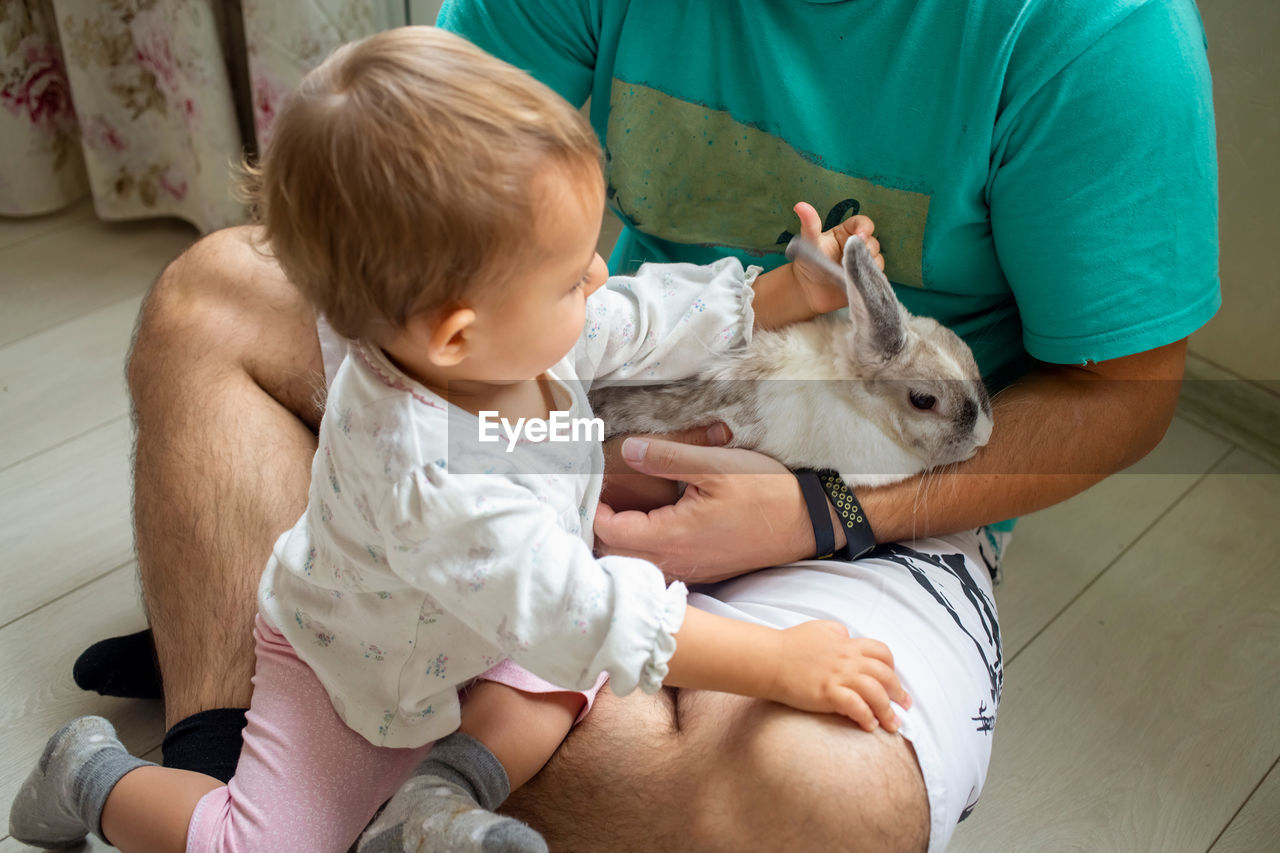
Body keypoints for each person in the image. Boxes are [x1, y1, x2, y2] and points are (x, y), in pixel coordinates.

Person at [71, 0, 1219, 850]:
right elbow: (409, 192)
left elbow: (1120, 393)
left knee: (822, 800)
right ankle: (230, 752)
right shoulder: (518, 354)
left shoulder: (1092, 37)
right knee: (214, 294)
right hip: (542, 409)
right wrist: (579, 448)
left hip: (841, 499)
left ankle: (321, 679)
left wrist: (830, 512)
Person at [10, 26, 909, 853]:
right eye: (568, 275)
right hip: (351, 666)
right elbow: (582, 611)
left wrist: (776, 298)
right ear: (454, 333)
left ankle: (435, 799)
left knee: (565, 680)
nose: (597, 275)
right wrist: (781, 661)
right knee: (262, 845)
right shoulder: (427, 472)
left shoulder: (499, 338)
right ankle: (91, 777)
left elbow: (637, 317)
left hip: (469, 631)